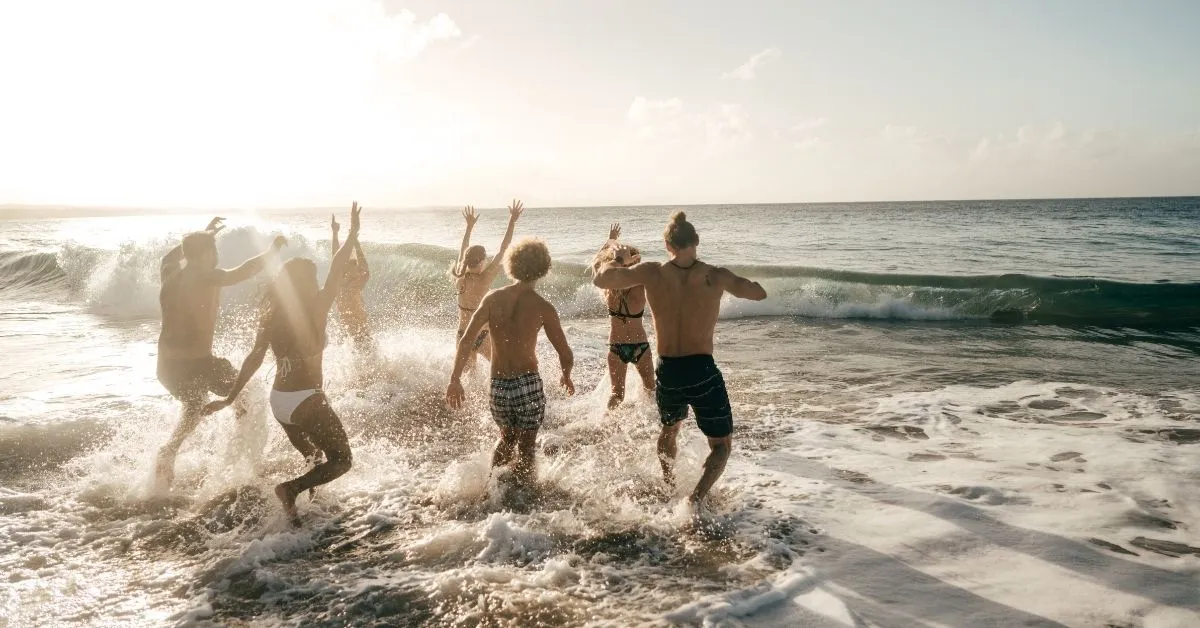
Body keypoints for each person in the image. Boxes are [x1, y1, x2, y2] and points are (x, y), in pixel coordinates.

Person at [203, 203, 363, 526]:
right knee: (342, 460)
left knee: (316, 458)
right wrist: (353, 235)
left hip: (280, 403)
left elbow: (254, 358)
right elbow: (336, 270)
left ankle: (309, 511)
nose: (320, 282)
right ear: (306, 283)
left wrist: (230, 398)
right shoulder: (317, 306)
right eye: (313, 278)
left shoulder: (274, 316)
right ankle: (290, 491)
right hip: (305, 398)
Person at [592, 212, 767, 507]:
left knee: (670, 429)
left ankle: (669, 484)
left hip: (668, 369)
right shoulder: (715, 275)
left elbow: (601, 279)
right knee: (721, 446)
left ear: (667, 245)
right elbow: (759, 294)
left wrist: (618, 256)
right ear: (696, 241)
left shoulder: (651, 272)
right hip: (701, 369)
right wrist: (731, 280)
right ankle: (694, 500)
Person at [155, 216, 286, 487]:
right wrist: (272, 251)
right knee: (242, 395)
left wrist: (203, 233)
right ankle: (237, 459)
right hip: (194, 364)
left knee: (196, 406)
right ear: (204, 255)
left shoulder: (169, 272)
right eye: (213, 251)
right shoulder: (206, 277)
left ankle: (171, 451)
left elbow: (168, 257)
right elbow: (243, 271)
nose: (216, 256)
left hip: (167, 367)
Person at [445, 237, 575, 487]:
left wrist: (455, 379)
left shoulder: (492, 299)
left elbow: (466, 340)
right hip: (528, 384)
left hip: (499, 385)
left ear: (512, 265)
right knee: (526, 444)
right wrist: (566, 375)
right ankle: (523, 495)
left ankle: (491, 488)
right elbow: (565, 353)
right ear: (543, 268)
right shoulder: (543, 307)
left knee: (506, 438)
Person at [450, 200, 524, 369]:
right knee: (502, 370)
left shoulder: (460, 276)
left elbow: (464, 248)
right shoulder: (485, 279)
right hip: (482, 335)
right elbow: (504, 248)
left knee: (468, 378)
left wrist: (469, 227)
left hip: (462, 335)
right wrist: (512, 221)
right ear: (482, 261)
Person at [592, 222, 655, 409]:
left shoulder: (609, 289)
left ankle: (608, 424)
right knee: (651, 390)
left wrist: (611, 241)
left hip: (616, 347)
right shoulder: (641, 285)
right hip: (640, 345)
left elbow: (597, 264)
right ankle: (653, 424)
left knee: (616, 394)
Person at [330, 213, 371, 347]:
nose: (359, 272)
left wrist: (356, 242)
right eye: (356, 270)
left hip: (362, 330)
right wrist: (335, 233)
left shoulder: (355, 285)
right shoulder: (341, 285)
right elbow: (336, 258)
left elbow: (364, 269)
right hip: (350, 332)